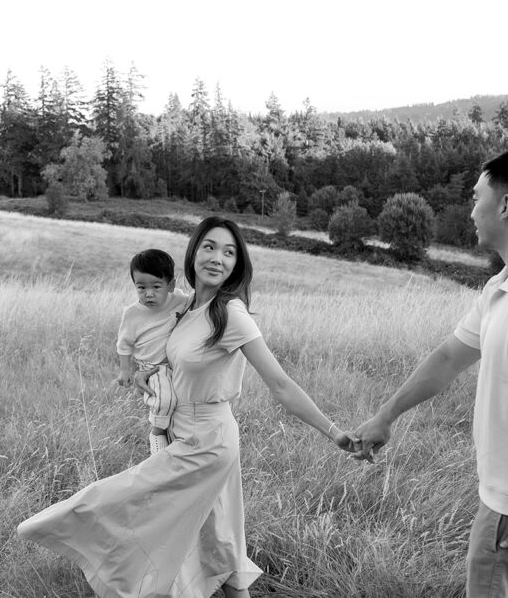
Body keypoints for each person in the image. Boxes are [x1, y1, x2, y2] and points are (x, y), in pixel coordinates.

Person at [18, 216, 357, 598]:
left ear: (237, 264)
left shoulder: (230, 313)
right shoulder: (183, 308)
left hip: (208, 440)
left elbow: (279, 383)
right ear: (194, 252)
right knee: (220, 542)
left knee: (122, 499)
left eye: (229, 252)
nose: (217, 258)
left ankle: (78, 536)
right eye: (210, 247)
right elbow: (169, 360)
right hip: (183, 430)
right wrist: (148, 373)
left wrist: (334, 432)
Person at [351, 147, 508, 598]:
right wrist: (386, 416)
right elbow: (450, 355)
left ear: (504, 204)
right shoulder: (507, 285)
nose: (471, 210)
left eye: (475, 197)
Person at [115, 248, 190, 455]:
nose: (148, 294)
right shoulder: (132, 314)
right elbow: (124, 344)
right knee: (165, 400)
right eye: (141, 287)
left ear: (171, 285)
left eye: (156, 287)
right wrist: (124, 370)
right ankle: (156, 435)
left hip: (174, 365)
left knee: (181, 403)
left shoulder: (180, 300)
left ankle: (174, 437)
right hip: (152, 368)